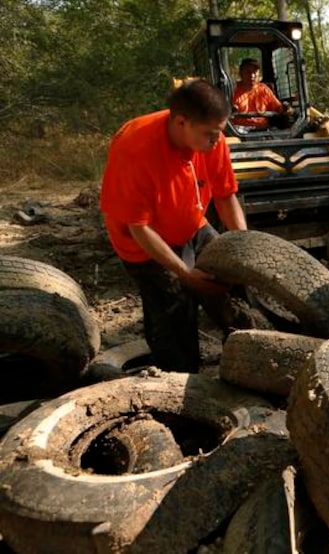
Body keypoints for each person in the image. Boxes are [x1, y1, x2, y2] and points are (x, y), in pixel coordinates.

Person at [100, 79, 248, 373]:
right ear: (182, 122)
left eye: (220, 133)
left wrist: (245, 247)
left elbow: (225, 196)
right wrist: (185, 274)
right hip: (142, 242)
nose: (217, 142)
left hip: (192, 223)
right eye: (211, 135)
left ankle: (247, 347)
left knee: (230, 280)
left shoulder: (211, 137)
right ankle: (177, 377)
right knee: (175, 310)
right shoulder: (136, 149)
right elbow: (139, 228)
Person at [231, 58, 285, 129]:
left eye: (255, 72)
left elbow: (278, 108)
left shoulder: (264, 89)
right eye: (248, 72)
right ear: (241, 73)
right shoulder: (233, 91)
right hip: (240, 131)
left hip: (263, 129)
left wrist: (286, 108)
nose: (252, 75)